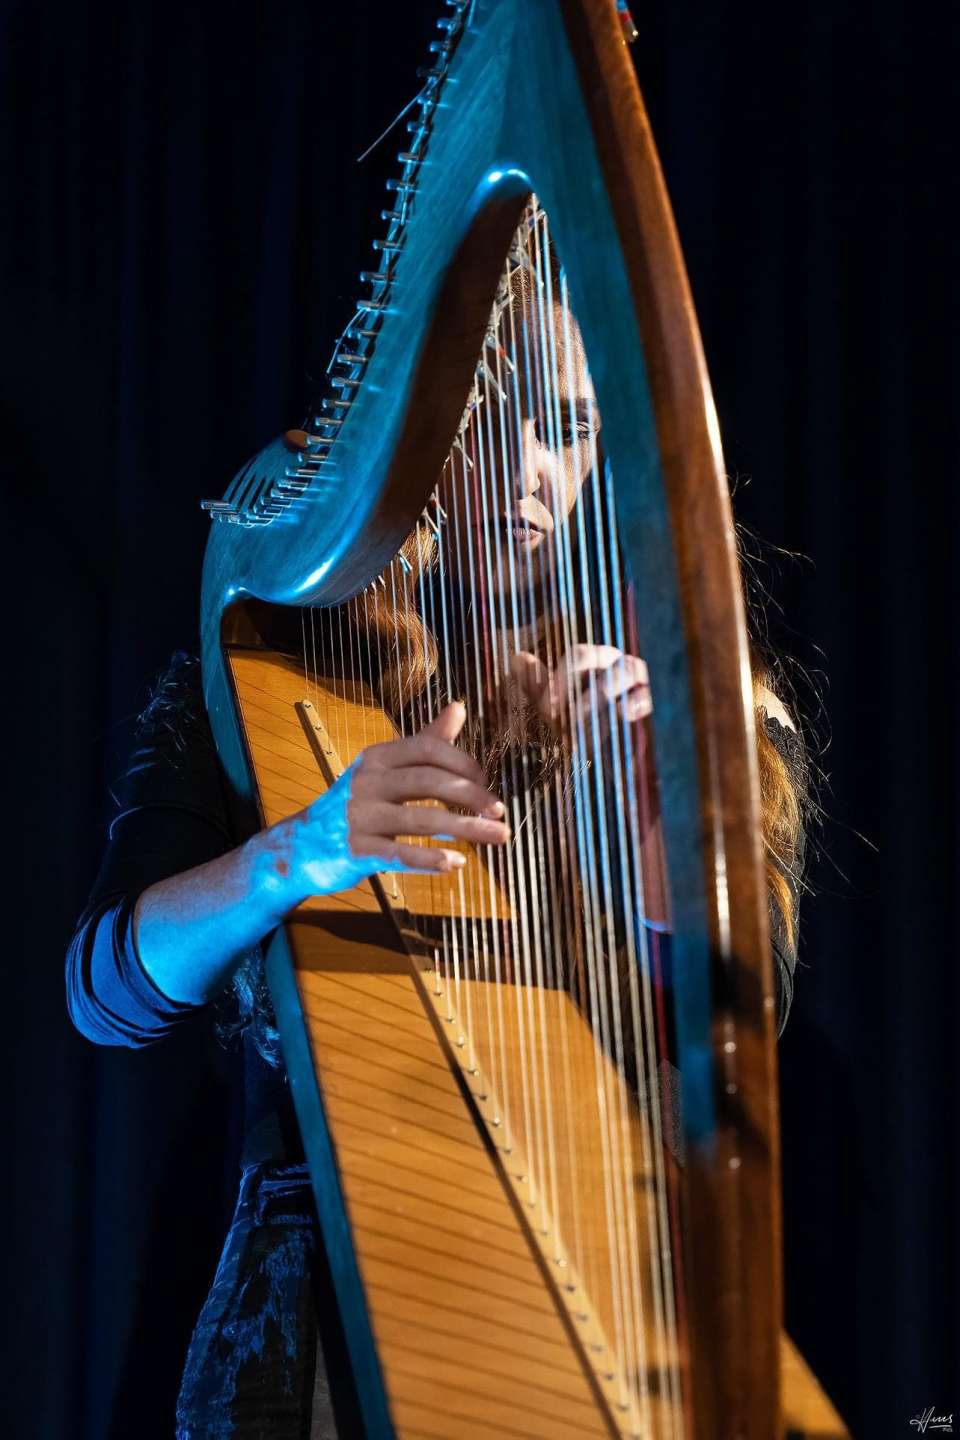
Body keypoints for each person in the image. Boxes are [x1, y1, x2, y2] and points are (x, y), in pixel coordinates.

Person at [66, 272, 809, 1437]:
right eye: (485, 421)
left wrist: (657, 826)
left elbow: (735, 1024)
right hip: (309, 1311)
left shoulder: (686, 699)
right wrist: (297, 854)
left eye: (564, 429)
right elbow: (105, 996)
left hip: (603, 1271)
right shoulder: (273, 679)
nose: (528, 472)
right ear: (408, 436)